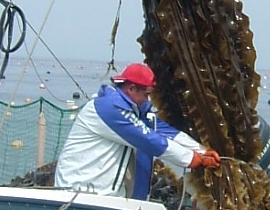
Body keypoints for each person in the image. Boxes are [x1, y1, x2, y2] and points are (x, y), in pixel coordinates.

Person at [55, 63, 220, 198]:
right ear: (131, 89)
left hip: (106, 196)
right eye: (146, 94)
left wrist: (202, 150)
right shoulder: (108, 108)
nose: (148, 100)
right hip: (79, 192)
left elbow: (165, 132)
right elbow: (148, 140)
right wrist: (191, 159)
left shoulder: (134, 111)